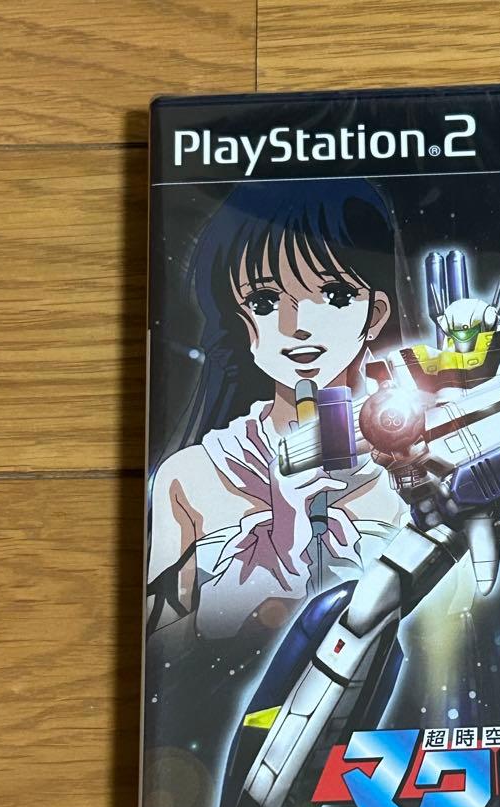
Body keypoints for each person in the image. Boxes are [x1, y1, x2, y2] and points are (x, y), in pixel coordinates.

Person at [147, 180, 409, 646]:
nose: (296, 326)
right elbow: (163, 658)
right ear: (240, 320)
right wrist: (282, 537)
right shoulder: (190, 478)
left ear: (375, 313)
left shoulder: (418, 462)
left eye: (334, 294)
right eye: (265, 302)